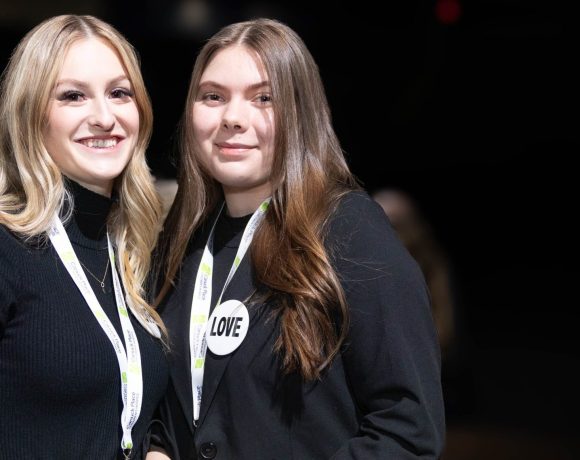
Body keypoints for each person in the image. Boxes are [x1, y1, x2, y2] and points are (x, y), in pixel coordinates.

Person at [152, 18, 445, 459]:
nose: (233, 118)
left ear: (300, 112)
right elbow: (173, 402)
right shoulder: (183, 240)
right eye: (213, 96)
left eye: (263, 98)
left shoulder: (350, 231)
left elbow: (409, 430)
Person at [0, 15, 170, 459]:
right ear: (32, 114)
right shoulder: (6, 247)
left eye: (119, 93)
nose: (104, 116)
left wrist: (154, 449)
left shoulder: (136, 250)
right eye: (73, 96)